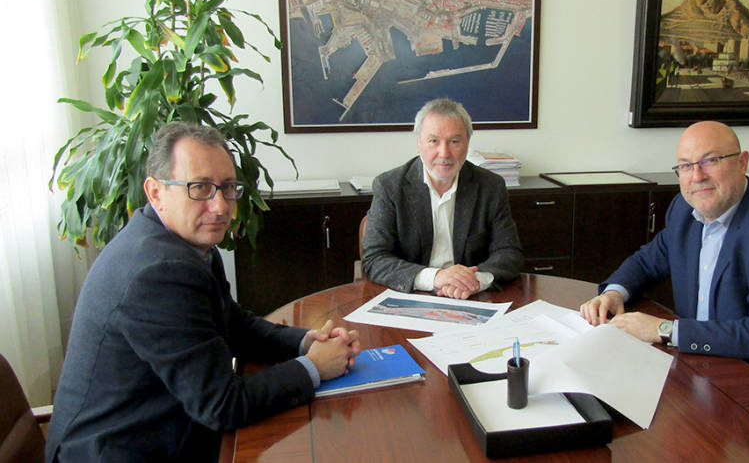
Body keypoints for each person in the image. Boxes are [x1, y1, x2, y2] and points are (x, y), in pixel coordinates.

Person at [45, 122, 361, 463]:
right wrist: (312, 367)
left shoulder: (179, 242)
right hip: (126, 449)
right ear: (155, 192)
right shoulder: (158, 271)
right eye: (200, 188)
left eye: (227, 187)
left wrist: (305, 342)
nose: (221, 206)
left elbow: (232, 322)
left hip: (165, 424)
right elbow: (222, 405)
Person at [579, 120, 749, 405]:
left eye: (710, 161)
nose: (696, 176)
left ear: (742, 162)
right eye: (685, 166)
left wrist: (663, 329)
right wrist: (614, 293)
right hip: (702, 370)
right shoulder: (685, 209)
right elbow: (648, 261)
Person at [362, 98, 524, 299]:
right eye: (433, 141)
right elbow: (375, 259)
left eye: (454, 141)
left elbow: (509, 253)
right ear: (419, 144)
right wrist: (435, 277)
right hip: (411, 297)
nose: (444, 153)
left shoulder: (490, 187)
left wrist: (475, 281)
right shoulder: (390, 186)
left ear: (467, 144)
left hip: (470, 297)